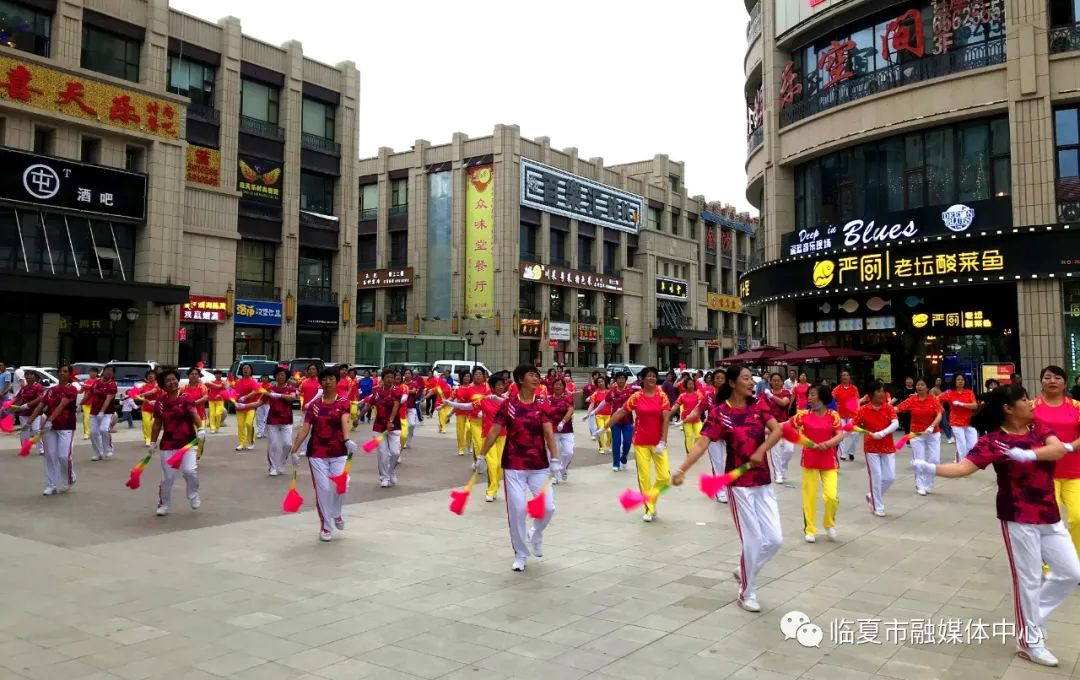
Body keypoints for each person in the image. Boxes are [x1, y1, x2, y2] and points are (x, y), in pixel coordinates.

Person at [912, 384, 1079, 667]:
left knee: (1070, 573)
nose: (1030, 403)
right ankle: (1029, 642)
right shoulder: (993, 441)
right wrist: (932, 468)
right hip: (1017, 516)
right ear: (1009, 408)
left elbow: (1057, 450)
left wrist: (1030, 455)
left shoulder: (1038, 428)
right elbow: (964, 468)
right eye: (1024, 400)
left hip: (1049, 514)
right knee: (1028, 580)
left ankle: (1032, 619)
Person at [672, 365, 784, 613]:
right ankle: (747, 592)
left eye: (751, 379)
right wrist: (682, 469)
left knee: (775, 540)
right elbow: (702, 443)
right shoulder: (720, 413)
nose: (751, 383)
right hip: (739, 485)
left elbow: (778, 430)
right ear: (733, 383)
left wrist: (761, 450)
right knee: (753, 540)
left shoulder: (759, 405)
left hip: (763, 480)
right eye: (746, 379)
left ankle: (744, 567)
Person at [476, 365, 559, 572]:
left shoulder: (542, 404)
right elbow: (495, 430)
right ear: (520, 379)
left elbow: (548, 433)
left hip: (539, 466)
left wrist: (555, 459)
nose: (536, 378)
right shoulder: (509, 405)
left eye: (537, 375)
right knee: (517, 510)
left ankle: (536, 533)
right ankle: (520, 554)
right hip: (514, 465)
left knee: (548, 508)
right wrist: (482, 455)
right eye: (532, 375)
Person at [290, 368, 356, 541]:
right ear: (321, 382)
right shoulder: (314, 406)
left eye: (331, 379)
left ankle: (336, 512)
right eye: (325, 379)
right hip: (317, 452)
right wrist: (294, 449)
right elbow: (305, 428)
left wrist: (347, 439)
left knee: (341, 485)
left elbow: (345, 420)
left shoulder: (343, 402)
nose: (328, 382)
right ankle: (326, 526)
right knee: (324, 489)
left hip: (338, 451)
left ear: (336, 381)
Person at [599, 367, 671, 523]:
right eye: (649, 376)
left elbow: (666, 419)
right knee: (644, 477)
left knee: (664, 477)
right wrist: (604, 427)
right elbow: (620, 412)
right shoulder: (636, 397)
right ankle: (649, 508)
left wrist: (663, 440)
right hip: (641, 443)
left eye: (654, 376)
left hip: (658, 443)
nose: (652, 379)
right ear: (642, 379)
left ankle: (650, 498)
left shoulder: (662, 396)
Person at [1032, 365, 1080, 556]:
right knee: (1050, 520)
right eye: (1048, 377)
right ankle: (1050, 562)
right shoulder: (1030, 406)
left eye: (1058, 378)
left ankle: (1076, 561)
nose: (1053, 381)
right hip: (1043, 473)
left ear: (1065, 382)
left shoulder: (1076, 406)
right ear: (1041, 381)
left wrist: (1070, 447)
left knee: (1078, 517)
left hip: (1074, 471)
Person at [146, 367, 205, 516]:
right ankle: (164, 504)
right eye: (168, 381)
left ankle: (193, 494)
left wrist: (201, 428)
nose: (172, 382)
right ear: (163, 385)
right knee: (168, 477)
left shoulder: (186, 397)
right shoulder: (160, 402)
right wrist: (152, 442)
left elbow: (194, 413)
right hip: (168, 444)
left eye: (173, 379)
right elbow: (157, 423)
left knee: (190, 471)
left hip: (188, 442)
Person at [792, 385, 844, 543]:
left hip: (829, 459)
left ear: (822, 397)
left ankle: (829, 524)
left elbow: (840, 434)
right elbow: (786, 427)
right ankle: (810, 529)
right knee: (809, 495)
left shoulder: (833, 415)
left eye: (812, 394)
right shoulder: (802, 415)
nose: (809, 398)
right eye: (808, 395)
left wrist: (828, 444)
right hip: (810, 460)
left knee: (831, 496)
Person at [444, 375, 509, 501]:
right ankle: (491, 490)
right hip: (488, 436)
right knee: (492, 463)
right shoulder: (485, 400)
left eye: (502, 385)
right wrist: (450, 403)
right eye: (498, 385)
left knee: (500, 465)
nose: (501, 387)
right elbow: (468, 406)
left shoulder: (507, 400)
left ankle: (494, 486)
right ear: (492, 387)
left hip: (503, 435)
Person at [30, 365, 79, 495]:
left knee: (63, 456)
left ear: (70, 375)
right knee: (50, 456)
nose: (61, 374)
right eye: (60, 371)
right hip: (50, 428)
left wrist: (50, 420)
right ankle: (51, 484)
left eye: (65, 372)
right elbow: (41, 405)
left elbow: (62, 405)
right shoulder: (51, 390)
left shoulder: (72, 389)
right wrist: (30, 421)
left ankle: (69, 477)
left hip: (66, 425)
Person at [854, 381, 900, 517]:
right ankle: (878, 506)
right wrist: (866, 432)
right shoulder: (863, 410)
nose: (882, 394)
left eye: (883, 391)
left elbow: (895, 423)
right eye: (879, 391)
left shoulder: (888, 408)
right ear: (871, 394)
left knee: (890, 477)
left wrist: (883, 433)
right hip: (871, 447)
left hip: (887, 446)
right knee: (877, 476)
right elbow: (854, 425)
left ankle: (871, 495)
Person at [357, 368, 406, 488]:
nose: (390, 379)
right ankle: (384, 477)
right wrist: (358, 417)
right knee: (382, 454)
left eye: (392, 377)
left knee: (395, 452)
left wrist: (390, 421)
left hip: (393, 426)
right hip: (379, 427)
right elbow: (368, 405)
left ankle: (391, 471)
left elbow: (396, 406)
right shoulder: (377, 392)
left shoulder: (397, 391)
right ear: (383, 379)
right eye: (387, 377)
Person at [896, 377, 943, 496]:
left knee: (934, 460)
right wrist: (884, 409)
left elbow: (939, 415)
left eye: (922, 385)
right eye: (918, 385)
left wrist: (932, 426)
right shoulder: (911, 400)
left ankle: (928, 483)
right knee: (919, 460)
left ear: (927, 388)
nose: (920, 387)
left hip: (933, 433)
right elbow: (897, 408)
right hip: (916, 434)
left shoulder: (933, 400)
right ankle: (920, 485)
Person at [263, 366, 298, 476]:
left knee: (287, 444)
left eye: (282, 375)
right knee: (273, 445)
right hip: (272, 420)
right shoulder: (270, 389)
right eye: (278, 375)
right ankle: (273, 467)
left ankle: (282, 462)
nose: (280, 377)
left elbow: (292, 398)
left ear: (286, 376)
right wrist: (243, 404)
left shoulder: (290, 388)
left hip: (286, 420)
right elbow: (260, 402)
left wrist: (277, 395)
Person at [761, 373, 793, 483]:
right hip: (772, 425)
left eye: (778, 380)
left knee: (789, 450)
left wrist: (772, 396)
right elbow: (762, 410)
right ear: (770, 382)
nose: (776, 382)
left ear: (782, 382)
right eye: (773, 380)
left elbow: (784, 403)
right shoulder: (764, 395)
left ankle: (782, 468)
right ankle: (778, 474)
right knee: (776, 451)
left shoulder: (786, 393)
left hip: (785, 424)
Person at [939, 375, 978, 461]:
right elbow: (936, 399)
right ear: (954, 381)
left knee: (973, 444)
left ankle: (964, 459)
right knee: (962, 444)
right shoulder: (949, 393)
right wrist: (940, 407)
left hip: (969, 421)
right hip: (956, 421)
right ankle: (961, 463)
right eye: (958, 379)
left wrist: (962, 404)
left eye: (962, 379)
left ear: (965, 381)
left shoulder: (969, 392)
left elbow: (975, 406)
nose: (960, 381)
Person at [604, 372, 636, 470]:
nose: (621, 380)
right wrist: (593, 412)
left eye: (623, 378)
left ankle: (624, 457)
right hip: (615, 421)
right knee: (616, 442)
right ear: (616, 380)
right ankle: (616, 463)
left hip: (627, 421)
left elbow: (636, 404)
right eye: (619, 378)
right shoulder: (612, 391)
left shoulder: (630, 391)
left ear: (626, 380)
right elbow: (605, 402)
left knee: (627, 442)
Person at [546, 378, 575, 483]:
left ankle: (563, 468)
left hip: (566, 430)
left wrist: (562, 422)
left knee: (569, 452)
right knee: (553, 454)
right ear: (553, 386)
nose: (558, 387)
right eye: (556, 385)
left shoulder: (567, 398)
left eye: (560, 385)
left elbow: (571, 410)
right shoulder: (548, 399)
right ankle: (554, 475)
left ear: (564, 387)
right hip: (552, 431)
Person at [88, 364, 118, 461]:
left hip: (107, 412)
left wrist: (102, 411)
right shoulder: (96, 383)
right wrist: (80, 404)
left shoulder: (112, 385)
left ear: (113, 374)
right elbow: (89, 393)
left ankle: (108, 449)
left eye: (111, 371)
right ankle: (98, 453)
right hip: (94, 411)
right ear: (103, 371)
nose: (109, 372)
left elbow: (108, 399)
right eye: (107, 370)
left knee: (104, 430)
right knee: (93, 433)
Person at [12, 371, 45, 455]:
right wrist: (9, 406)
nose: (28, 376)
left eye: (31, 375)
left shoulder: (38, 387)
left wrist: (28, 405)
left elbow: (40, 398)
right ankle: (25, 448)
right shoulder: (24, 388)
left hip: (35, 412)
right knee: (24, 431)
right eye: (27, 375)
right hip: (24, 413)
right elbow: (18, 399)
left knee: (36, 430)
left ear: (35, 377)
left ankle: (41, 449)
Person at [832, 370, 860, 462]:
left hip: (853, 414)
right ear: (841, 378)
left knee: (855, 434)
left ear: (849, 377)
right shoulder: (837, 389)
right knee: (842, 434)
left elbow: (857, 400)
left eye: (847, 375)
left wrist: (859, 412)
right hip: (841, 415)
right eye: (843, 375)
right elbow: (831, 400)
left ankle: (851, 451)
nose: (845, 377)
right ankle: (843, 453)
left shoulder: (854, 388)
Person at [674, 376, 704, 455]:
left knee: (699, 435)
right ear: (685, 385)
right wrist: (669, 413)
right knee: (689, 436)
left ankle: (694, 449)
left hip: (696, 419)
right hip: (686, 420)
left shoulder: (698, 394)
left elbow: (701, 403)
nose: (691, 385)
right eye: (689, 384)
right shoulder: (682, 395)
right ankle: (690, 453)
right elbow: (676, 406)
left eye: (692, 384)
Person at [233, 364, 260, 451]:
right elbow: (234, 392)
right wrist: (234, 401)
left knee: (249, 423)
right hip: (240, 407)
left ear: (251, 370)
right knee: (240, 425)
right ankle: (242, 443)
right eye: (244, 368)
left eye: (247, 368)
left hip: (251, 406)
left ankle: (251, 442)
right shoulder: (238, 381)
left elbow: (255, 391)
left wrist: (245, 397)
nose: (245, 370)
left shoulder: (253, 381)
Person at [585, 376, 612, 457]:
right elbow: (592, 404)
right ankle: (601, 448)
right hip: (599, 415)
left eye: (602, 381)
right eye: (599, 382)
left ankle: (608, 444)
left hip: (609, 415)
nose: (601, 383)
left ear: (605, 382)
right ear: (597, 384)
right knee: (601, 430)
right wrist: (588, 413)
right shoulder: (595, 394)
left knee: (609, 431)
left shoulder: (609, 392)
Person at [135, 369, 162, 446]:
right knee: (146, 424)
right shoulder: (143, 386)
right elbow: (135, 395)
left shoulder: (158, 384)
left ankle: (153, 439)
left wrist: (141, 394)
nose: (150, 376)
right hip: (145, 408)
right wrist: (145, 400)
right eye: (149, 374)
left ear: (155, 376)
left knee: (153, 424)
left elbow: (153, 391)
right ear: (146, 376)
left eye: (152, 374)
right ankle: (148, 439)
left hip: (156, 408)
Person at [451, 370, 475, 456]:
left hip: (471, 412)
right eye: (465, 376)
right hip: (460, 412)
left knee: (469, 429)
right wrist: (445, 403)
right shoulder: (457, 388)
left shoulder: (473, 387)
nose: (467, 378)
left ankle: (468, 444)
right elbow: (451, 398)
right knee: (460, 431)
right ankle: (461, 448)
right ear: (461, 377)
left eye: (468, 376)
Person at [79, 367, 99, 440]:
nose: (92, 373)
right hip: (86, 402)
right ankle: (86, 433)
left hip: (95, 402)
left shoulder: (99, 381)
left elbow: (95, 389)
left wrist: (87, 386)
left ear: (97, 373)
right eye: (91, 372)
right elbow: (81, 391)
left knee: (95, 419)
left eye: (94, 372)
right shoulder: (86, 381)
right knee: (86, 419)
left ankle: (94, 433)